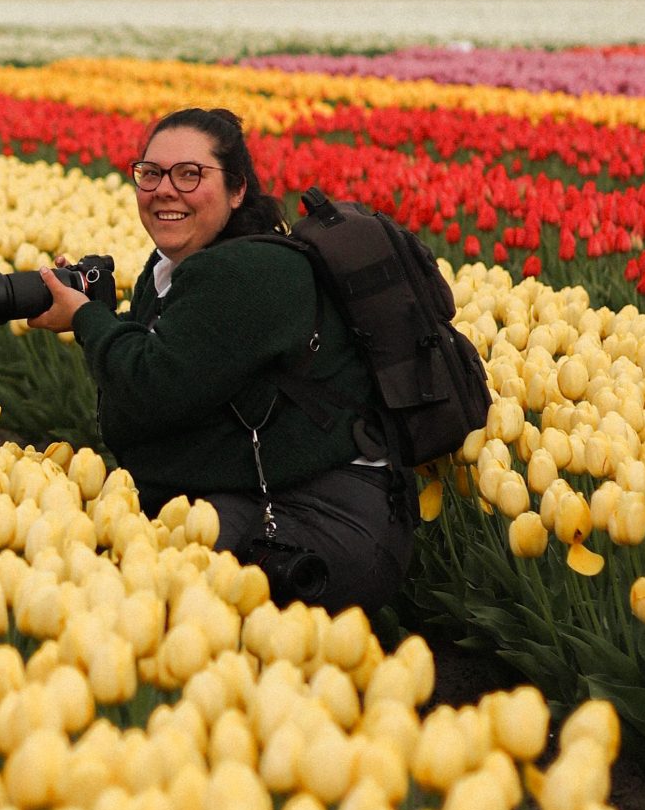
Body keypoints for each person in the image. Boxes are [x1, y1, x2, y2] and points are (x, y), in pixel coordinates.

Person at [28, 105, 416, 619]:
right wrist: (100, 317)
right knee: (113, 544)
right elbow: (160, 387)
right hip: (258, 497)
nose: (165, 189)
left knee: (148, 577)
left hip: (329, 521)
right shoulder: (170, 268)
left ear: (237, 190)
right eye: (151, 173)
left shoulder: (248, 271)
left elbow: (150, 386)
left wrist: (88, 321)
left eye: (190, 174)